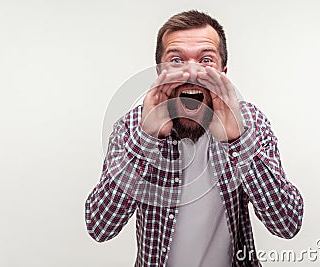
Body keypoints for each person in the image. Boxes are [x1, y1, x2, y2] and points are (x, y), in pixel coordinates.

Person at [85, 10, 304, 267]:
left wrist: (238, 142)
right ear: (159, 71)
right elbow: (100, 227)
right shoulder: (131, 127)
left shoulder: (250, 123)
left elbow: (287, 224)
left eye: (206, 60)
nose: (191, 72)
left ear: (224, 71)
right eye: (176, 60)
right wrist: (146, 140)